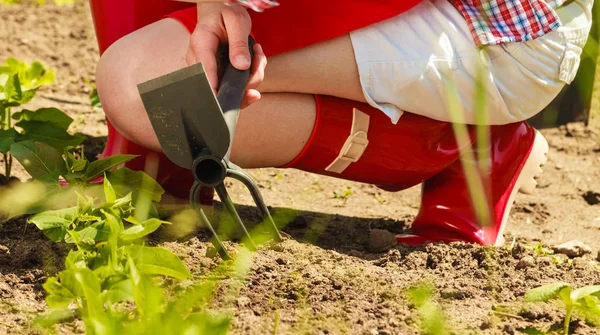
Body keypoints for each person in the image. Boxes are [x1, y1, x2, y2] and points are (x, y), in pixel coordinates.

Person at [95, 0, 593, 246]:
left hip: (497, 31)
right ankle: (158, 162)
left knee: (153, 83)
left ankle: (463, 139)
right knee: (165, 94)